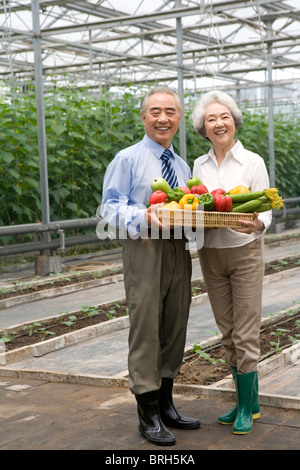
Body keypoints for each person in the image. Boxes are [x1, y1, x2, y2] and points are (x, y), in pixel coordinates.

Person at [101, 86, 200, 446]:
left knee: (176, 321)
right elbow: (109, 208)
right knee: (146, 326)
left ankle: (166, 404)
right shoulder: (127, 159)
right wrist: (143, 214)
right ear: (144, 117)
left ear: (179, 119)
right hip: (144, 246)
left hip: (178, 247)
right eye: (155, 111)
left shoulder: (181, 164)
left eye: (170, 112)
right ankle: (147, 413)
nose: (163, 118)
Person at [192, 90, 272, 435]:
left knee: (245, 332)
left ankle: (245, 408)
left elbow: (266, 206)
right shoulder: (199, 165)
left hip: (245, 251)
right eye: (211, 119)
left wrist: (259, 223)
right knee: (226, 332)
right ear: (204, 129)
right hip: (210, 252)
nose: (219, 123)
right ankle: (247, 403)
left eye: (224, 116)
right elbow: (196, 204)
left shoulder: (252, 161)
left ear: (234, 122)